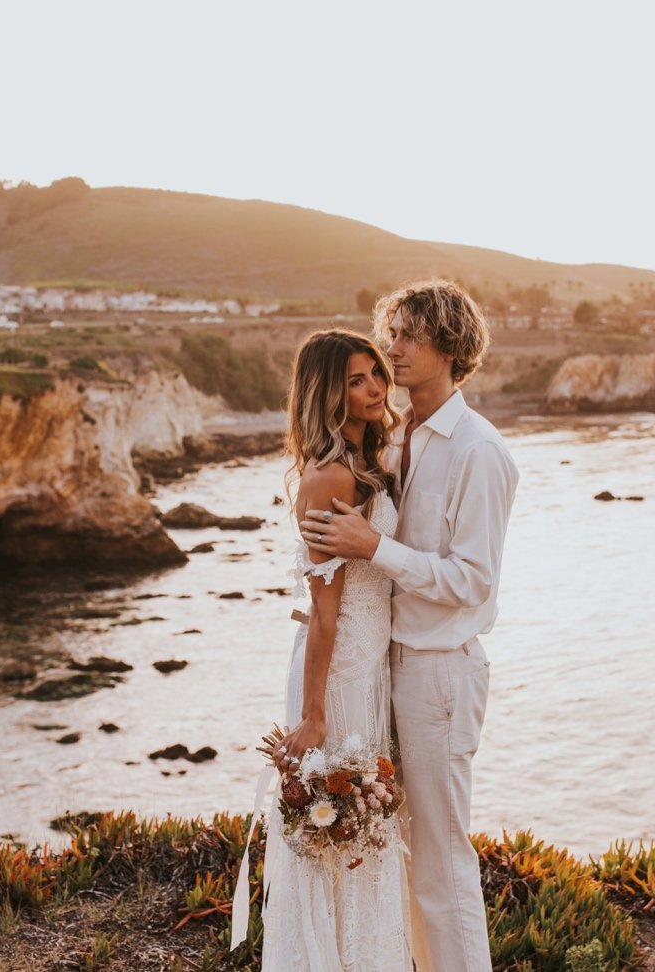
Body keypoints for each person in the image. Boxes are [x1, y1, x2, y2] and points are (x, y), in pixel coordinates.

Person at [301, 280, 519, 972]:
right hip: (387, 668)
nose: (392, 347)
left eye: (408, 336)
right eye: (391, 332)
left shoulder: (478, 451)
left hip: (440, 673)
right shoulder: (400, 440)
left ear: (451, 347)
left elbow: (473, 580)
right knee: (403, 849)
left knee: (442, 861)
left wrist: (375, 548)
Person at [260, 328, 413, 970]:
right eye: (356, 380)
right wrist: (315, 714)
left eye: (376, 373)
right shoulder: (328, 480)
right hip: (337, 673)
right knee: (338, 827)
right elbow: (324, 615)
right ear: (329, 392)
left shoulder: (368, 465)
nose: (375, 387)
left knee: (363, 828)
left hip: (369, 667)